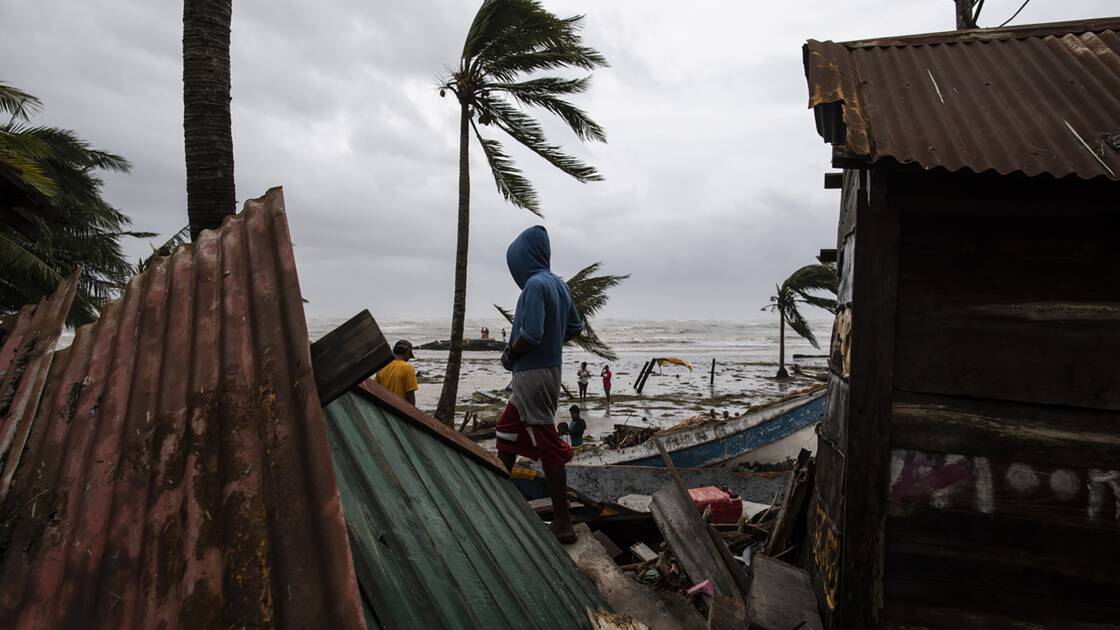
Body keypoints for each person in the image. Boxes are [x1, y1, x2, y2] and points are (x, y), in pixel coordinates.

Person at [494, 226, 583, 544]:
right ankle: (496, 505)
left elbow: (529, 335)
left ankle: (563, 522)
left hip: (531, 372)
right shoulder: (558, 285)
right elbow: (574, 326)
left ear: (523, 259)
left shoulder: (533, 286)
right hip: (548, 370)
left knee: (547, 444)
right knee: (505, 432)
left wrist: (509, 355)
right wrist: (552, 344)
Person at [375, 340, 418, 405]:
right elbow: (410, 395)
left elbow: (376, 389)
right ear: (407, 352)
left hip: (383, 406)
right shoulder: (408, 368)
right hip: (400, 408)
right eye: (409, 355)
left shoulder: (382, 365)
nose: (409, 358)